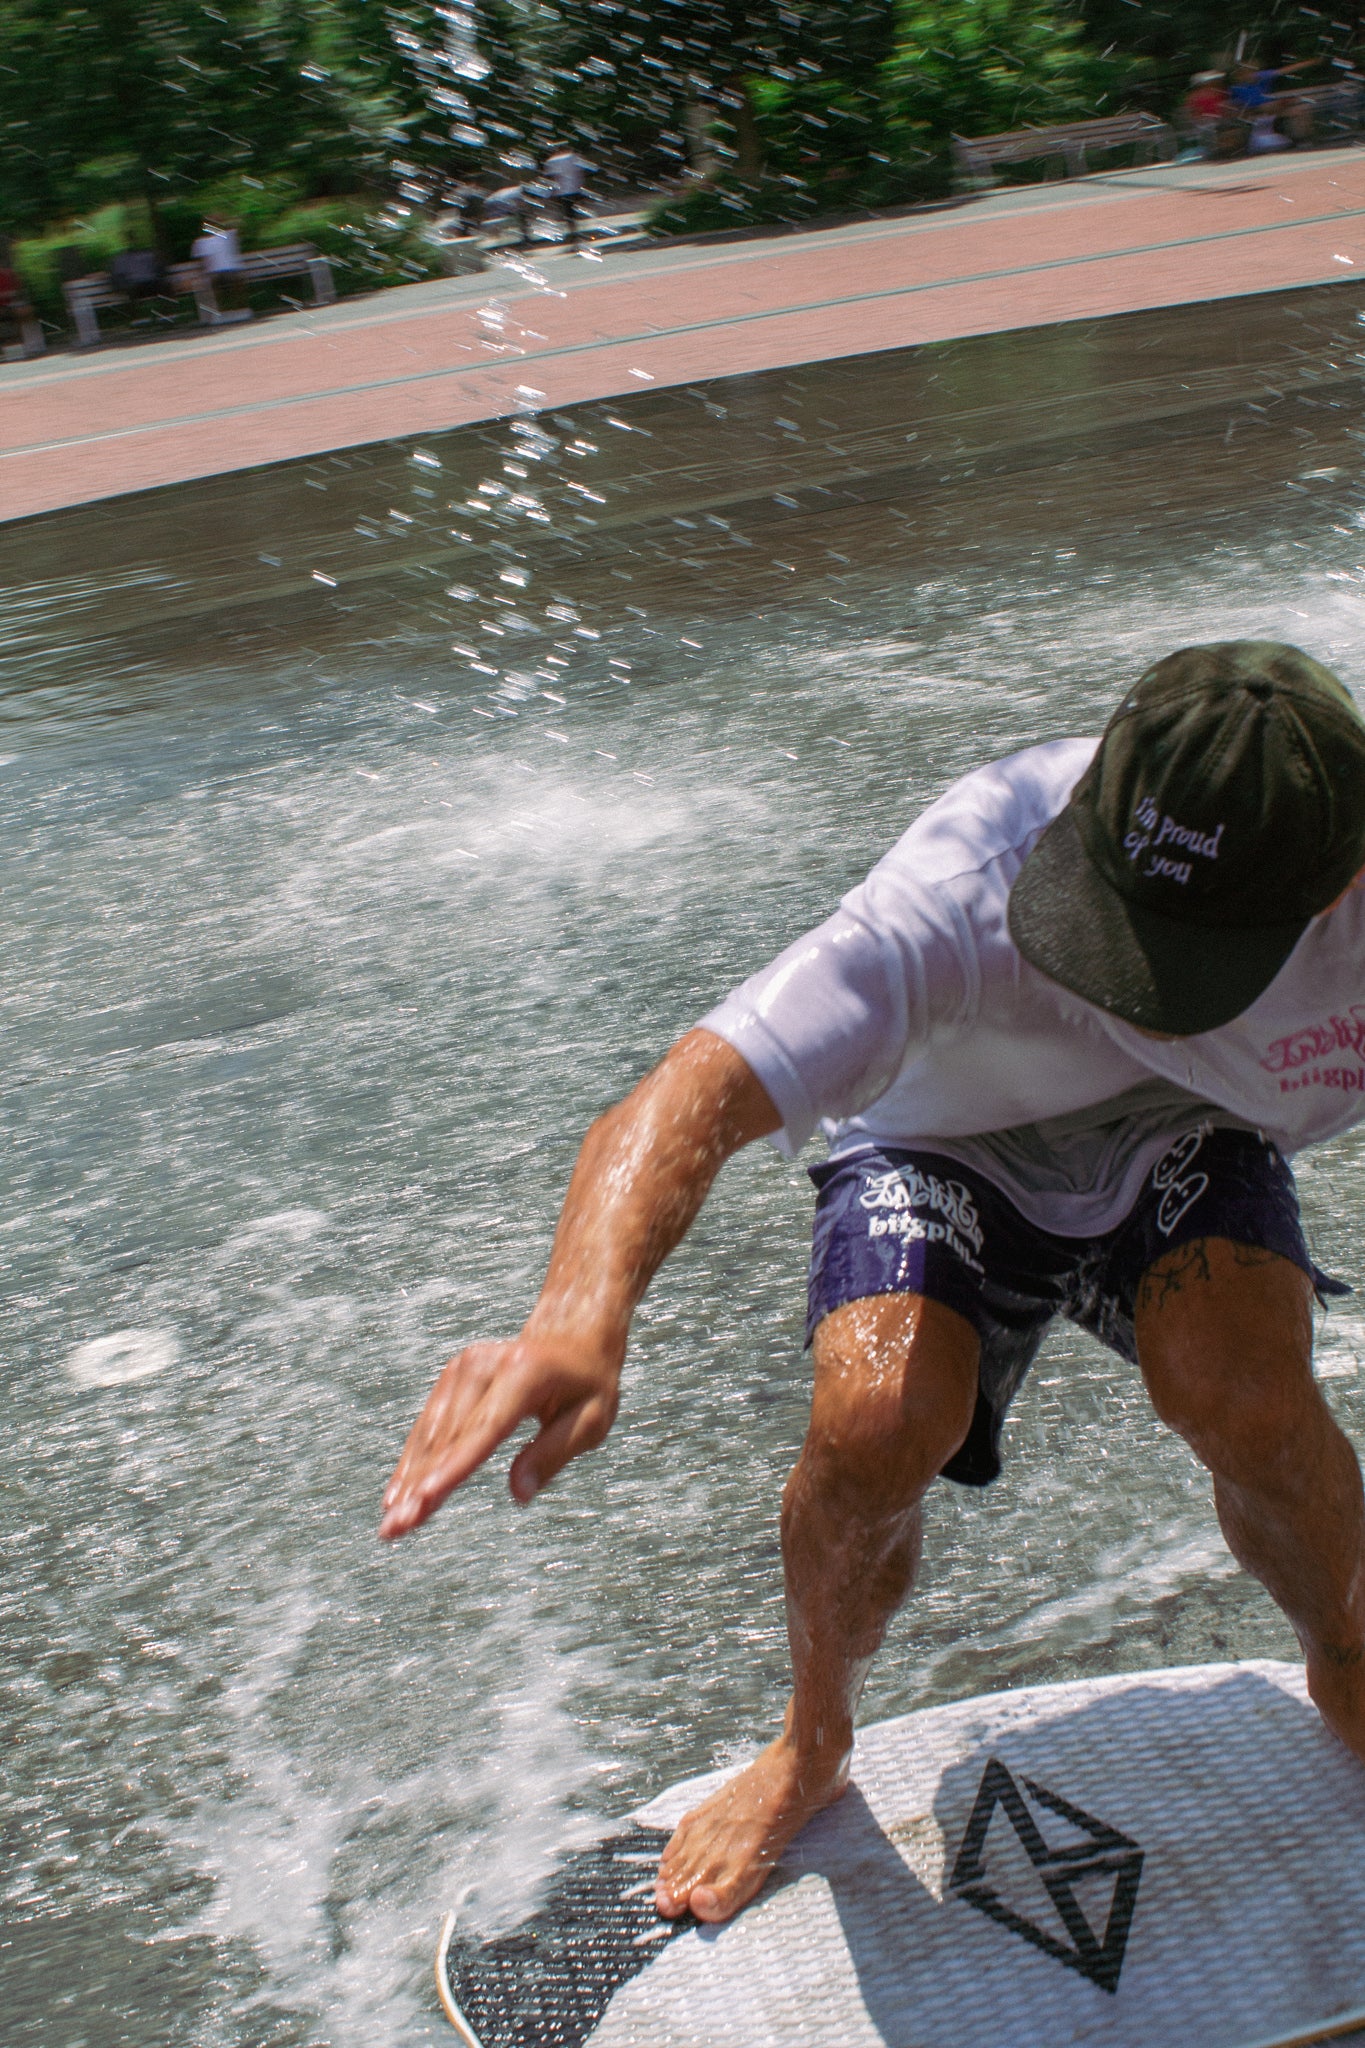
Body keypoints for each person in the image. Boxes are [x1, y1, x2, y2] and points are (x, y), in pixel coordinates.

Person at [381, 641, 1365, 1927]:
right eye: (1126, 930)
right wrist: (577, 1313)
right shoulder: (967, 881)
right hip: (941, 1134)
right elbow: (693, 1089)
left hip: (1190, 1132)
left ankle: (1351, 1664)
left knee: (1246, 1390)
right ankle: (812, 1739)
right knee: (877, 1419)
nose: (1138, 988)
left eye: (1186, 959)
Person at [543, 144, 587, 247]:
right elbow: (583, 170)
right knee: (575, 212)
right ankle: (577, 233)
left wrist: (550, 192)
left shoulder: (552, 160)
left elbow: (550, 176)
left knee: (567, 214)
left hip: (562, 191)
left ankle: (573, 233)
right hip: (576, 189)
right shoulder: (575, 157)